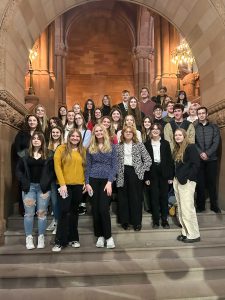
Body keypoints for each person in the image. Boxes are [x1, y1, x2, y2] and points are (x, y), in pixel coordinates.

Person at [16, 132, 54, 250]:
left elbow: (53, 171)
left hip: (43, 188)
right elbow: (18, 171)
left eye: (39, 139)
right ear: (31, 140)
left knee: (42, 214)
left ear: (42, 141)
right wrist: (24, 181)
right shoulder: (24, 154)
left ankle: (41, 237)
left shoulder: (49, 154)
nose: (36, 140)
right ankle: (29, 238)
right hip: (29, 188)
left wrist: (47, 181)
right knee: (28, 214)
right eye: (34, 138)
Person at [52, 129, 86, 252]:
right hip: (64, 186)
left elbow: (86, 167)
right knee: (64, 211)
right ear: (69, 137)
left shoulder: (83, 150)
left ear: (80, 138)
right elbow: (57, 166)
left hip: (78, 186)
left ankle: (74, 238)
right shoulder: (61, 148)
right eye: (73, 136)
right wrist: (62, 184)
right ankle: (60, 241)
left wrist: (84, 182)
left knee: (74, 211)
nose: (75, 138)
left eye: (77, 136)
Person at [85, 124, 117, 249]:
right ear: (94, 133)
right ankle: (100, 235)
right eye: (96, 131)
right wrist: (87, 183)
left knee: (104, 209)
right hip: (93, 180)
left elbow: (114, 166)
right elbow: (88, 166)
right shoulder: (90, 148)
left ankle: (108, 237)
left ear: (104, 132)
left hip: (106, 182)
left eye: (100, 131)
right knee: (96, 209)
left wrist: (110, 182)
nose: (98, 133)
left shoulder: (112, 147)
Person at [117, 126, 152, 231]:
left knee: (135, 198)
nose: (128, 133)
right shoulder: (118, 146)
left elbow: (148, 160)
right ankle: (125, 221)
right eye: (126, 132)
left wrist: (141, 170)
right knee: (123, 198)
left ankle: (136, 222)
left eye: (130, 132)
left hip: (135, 173)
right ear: (123, 134)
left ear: (133, 134)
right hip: (121, 173)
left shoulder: (139, 145)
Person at [173, 128, 200, 243]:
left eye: (180, 135)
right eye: (176, 135)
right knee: (181, 207)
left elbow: (196, 165)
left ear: (184, 136)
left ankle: (193, 234)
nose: (177, 137)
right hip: (178, 181)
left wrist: (189, 178)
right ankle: (185, 232)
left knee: (187, 208)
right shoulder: (177, 149)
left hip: (187, 182)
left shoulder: (191, 147)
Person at [144, 124, 173, 229]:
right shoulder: (146, 144)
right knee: (154, 197)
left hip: (164, 172)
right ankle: (156, 220)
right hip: (152, 172)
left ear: (160, 131)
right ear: (150, 131)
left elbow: (169, 160)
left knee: (164, 197)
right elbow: (145, 162)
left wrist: (170, 176)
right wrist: (146, 177)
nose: (155, 131)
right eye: (153, 129)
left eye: (157, 129)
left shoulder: (165, 143)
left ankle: (165, 220)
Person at [195, 106, 221, 213]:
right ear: (197, 115)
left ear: (207, 114)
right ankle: (200, 206)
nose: (201, 115)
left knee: (211, 182)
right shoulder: (194, 127)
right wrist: (201, 153)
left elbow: (216, 143)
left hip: (212, 159)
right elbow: (193, 142)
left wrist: (207, 153)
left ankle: (214, 205)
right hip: (199, 159)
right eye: (199, 113)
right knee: (200, 183)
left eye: (203, 113)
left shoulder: (214, 127)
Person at [47, 126, 64, 233]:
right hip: (50, 177)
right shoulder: (47, 146)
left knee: (60, 201)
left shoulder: (64, 146)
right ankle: (56, 220)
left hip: (62, 177)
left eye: (57, 132)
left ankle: (59, 222)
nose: (55, 134)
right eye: (53, 132)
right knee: (53, 201)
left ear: (61, 133)